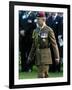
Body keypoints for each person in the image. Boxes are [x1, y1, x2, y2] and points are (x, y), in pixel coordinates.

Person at [28, 11, 59, 78]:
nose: (37, 21)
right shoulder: (35, 30)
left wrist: (57, 57)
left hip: (45, 56)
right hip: (38, 56)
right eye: (37, 19)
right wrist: (30, 56)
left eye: (39, 19)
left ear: (44, 19)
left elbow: (54, 44)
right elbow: (34, 45)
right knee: (45, 76)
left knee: (41, 75)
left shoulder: (49, 30)